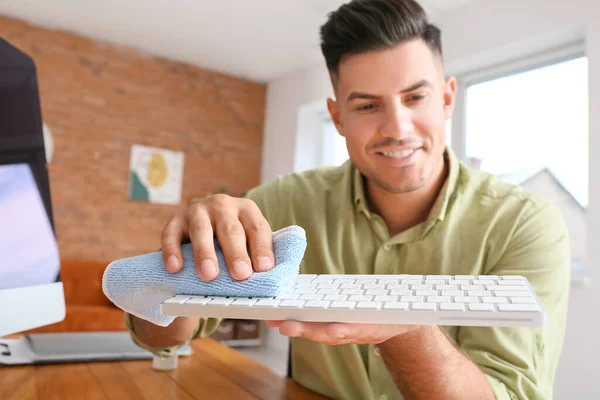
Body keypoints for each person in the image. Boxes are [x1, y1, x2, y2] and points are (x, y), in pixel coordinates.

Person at [125, 0, 570, 399]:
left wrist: (406, 329)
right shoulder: (284, 203)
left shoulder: (525, 224)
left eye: (415, 97)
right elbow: (161, 338)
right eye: (367, 106)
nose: (398, 127)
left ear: (448, 98)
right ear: (337, 116)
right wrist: (183, 264)